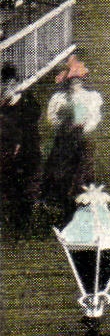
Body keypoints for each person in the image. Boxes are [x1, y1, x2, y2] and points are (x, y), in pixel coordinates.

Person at [40, 56, 101, 219]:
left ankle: (81, 202)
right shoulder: (59, 99)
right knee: (60, 168)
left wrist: (82, 126)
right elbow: (52, 118)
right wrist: (63, 125)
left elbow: (94, 117)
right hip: (64, 138)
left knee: (82, 170)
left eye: (78, 80)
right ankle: (59, 201)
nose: (75, 84)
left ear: (83, 80)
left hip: (82, 138)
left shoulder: (90, 97)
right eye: (72, 81)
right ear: (67, 82)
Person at [0, 62, 42, 230]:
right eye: (5, 84)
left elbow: (31, 120)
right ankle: (12, 219)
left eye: (12, 83)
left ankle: (26, 220)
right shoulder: (3, 106)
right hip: (8, 151)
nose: (8, 87)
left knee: (28, 182)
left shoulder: (28, 102)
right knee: (9, 184)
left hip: (28, 148)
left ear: (16, 84)